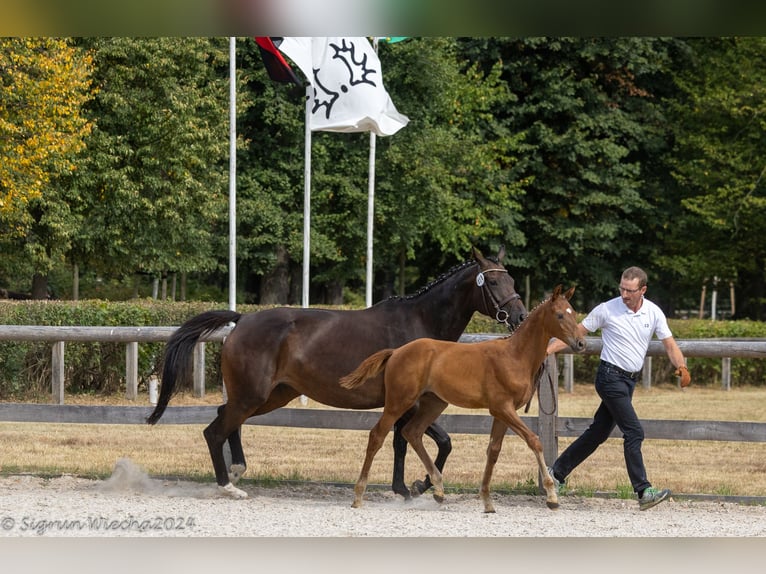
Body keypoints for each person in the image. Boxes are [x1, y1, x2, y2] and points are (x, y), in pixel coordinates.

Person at [546, 266, 691, 510]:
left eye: (630, 290)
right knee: (634, 432)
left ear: (642, 290)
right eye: (622, 288)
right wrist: (546, 350)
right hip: (609, 377)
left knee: (598, 433)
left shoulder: (653, 312)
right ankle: (643, 491)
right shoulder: (606, 309)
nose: (624, 294)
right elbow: (576, 333)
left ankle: (555, 474)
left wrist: (682, 366)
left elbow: (669, 344)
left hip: (628, 382)